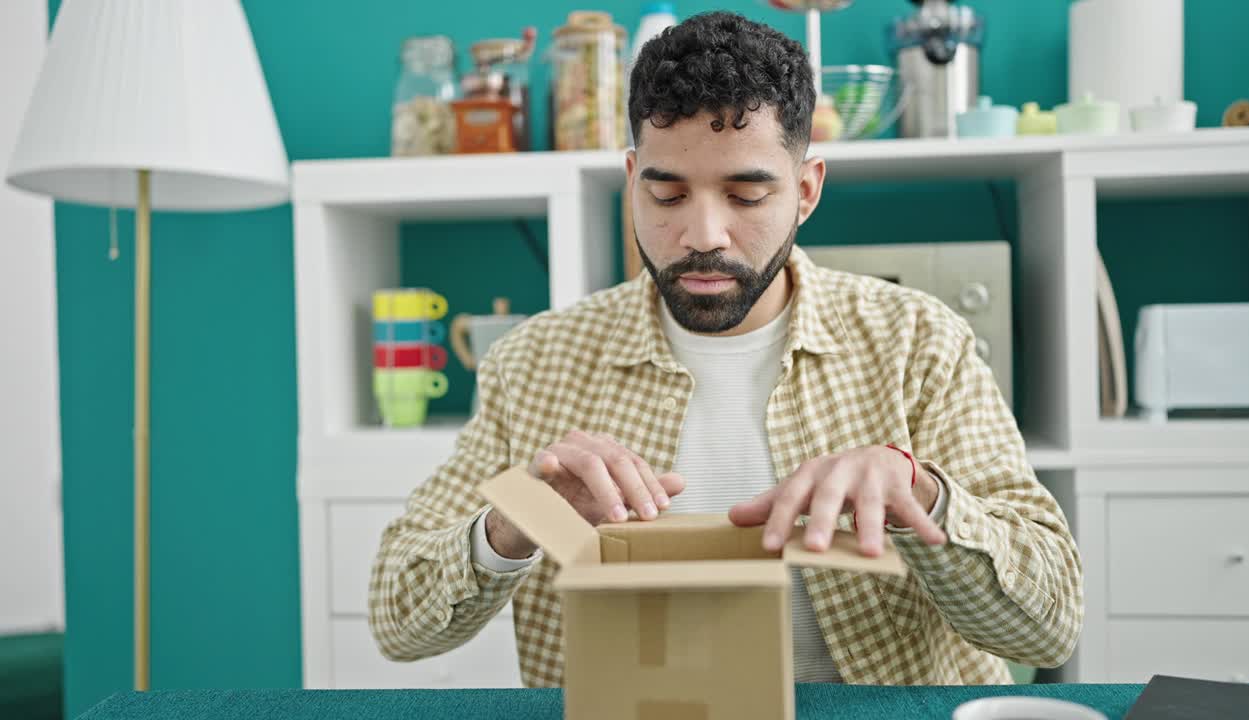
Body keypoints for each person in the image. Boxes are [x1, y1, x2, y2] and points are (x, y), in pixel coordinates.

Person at [369, 11, 1082, 686]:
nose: (704, 234)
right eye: (668, 195)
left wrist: (920, 495)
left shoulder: (918, 343)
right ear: (630, 183)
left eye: (745, 195)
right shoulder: (534, 363)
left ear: (805, 191)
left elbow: (1050, 629)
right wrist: (516, 517)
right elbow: (397, 619)